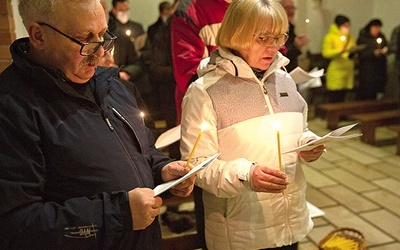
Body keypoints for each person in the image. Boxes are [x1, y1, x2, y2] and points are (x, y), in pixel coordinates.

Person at [0, 0, 196, 249]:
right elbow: (16, 226)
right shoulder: (12, 107)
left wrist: (163, 171)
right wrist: (118, 215)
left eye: (103, 35)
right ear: (38, 35)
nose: (101, 52)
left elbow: (143, 150)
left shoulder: (113, 86)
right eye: (85, 39)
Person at [180, 0, 325, 249]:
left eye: (279, 37)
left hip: (288, 222)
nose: (273, 47)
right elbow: (197, 166)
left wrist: (307, 143)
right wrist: (246, 175)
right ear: (237, 35)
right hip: (241, 231)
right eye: (262, 38)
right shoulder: (205, 91)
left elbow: (299, 129)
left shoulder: (284, 80)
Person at [171, 0, 232, 124]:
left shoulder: (255, 4)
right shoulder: (191, 9)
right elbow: (188, 72)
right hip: (206, 112)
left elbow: (273, 50)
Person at [321, 15, 357, 103]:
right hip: (335, 70)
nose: (347, 28)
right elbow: (326, 53)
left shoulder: (349, 37)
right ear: (338, 25)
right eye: (345, 25)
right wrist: (339, 51)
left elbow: (353, 47)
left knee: (344, 97)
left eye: (348, 25)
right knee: (334, 97)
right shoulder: (330, 37)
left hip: (347, 71)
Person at [356, 19, 388, 100]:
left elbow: (386, 46)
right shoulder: (363, 37)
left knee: (377, 91)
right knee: (367, 91)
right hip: (367, 69)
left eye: (379, 28)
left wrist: (384, 51)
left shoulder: (381, 36)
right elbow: (360, 52)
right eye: (375, 27)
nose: (377, 30)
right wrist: (373, 53)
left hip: (379, 68)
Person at [279, 0, 310, 72]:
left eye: (292, 8)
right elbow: (281, 57)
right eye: (287, 8)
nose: (291, 12)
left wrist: (297, 46)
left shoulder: (291, 28)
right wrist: (295, 46)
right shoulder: (278, 30)